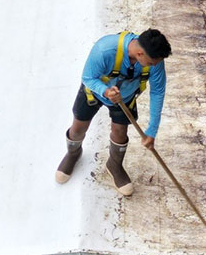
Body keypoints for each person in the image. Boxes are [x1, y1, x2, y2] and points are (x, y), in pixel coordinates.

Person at [55, 29, 172, 196]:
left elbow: (158, 92)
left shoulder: (155, 60)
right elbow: (88, 78)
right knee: (78, 129)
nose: (155, 66)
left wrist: (151, 130)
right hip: (94, 92)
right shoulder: (105, 49)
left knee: (120, 133)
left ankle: (114, 165)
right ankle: (73, 153)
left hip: (125, 98)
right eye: (152, 63)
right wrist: (105, 91)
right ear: (140, 53)